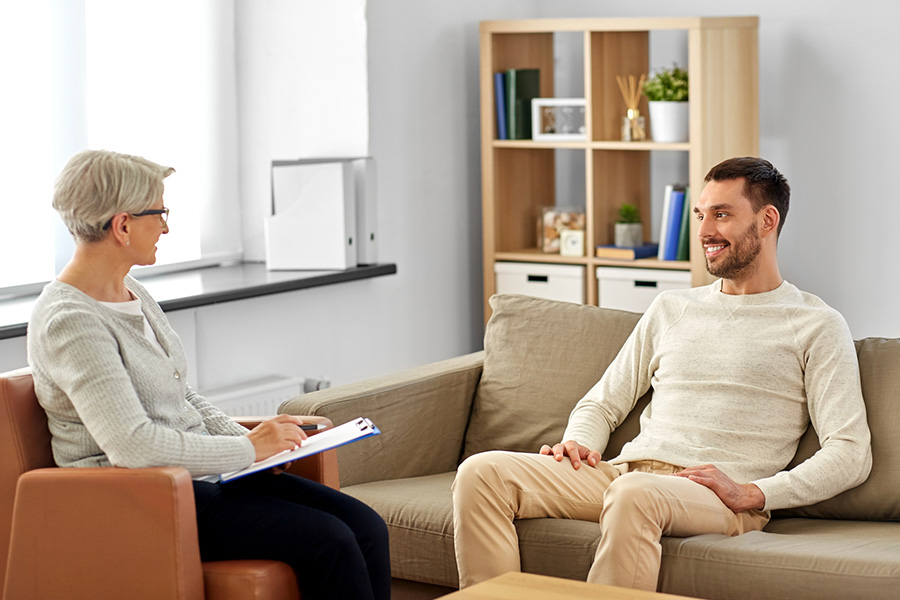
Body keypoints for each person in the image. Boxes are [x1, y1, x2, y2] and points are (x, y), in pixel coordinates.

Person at [452, 156, 872, 591]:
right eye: (700, 215)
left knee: (635, 494)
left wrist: (755, 493)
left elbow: (851, 451)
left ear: (767, 220)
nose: (705, 231)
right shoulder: (672, 309)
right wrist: (579, 444)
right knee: (481, 473)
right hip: (626, 476)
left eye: (722, 214)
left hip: (717, 499)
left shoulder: (816, 324)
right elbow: (602, 402)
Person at [27, 149, 391, 600]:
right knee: (330, 541)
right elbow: (131, 445)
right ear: (122, 226)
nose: (166, 226)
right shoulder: (70, 320)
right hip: (138, 497)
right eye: (159, 213)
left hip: (195, 481)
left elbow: (180, 396)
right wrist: (243, 449)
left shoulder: (130, 290)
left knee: (367, 526)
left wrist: (257, 452)